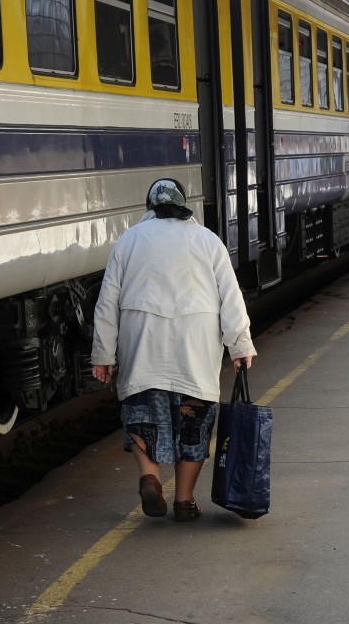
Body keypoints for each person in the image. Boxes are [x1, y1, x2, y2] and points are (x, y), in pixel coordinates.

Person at [91, 179, 256, 522]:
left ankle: (150, 477)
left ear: (150, 206)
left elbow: (106, 303)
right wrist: (240, 344)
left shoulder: (129, 241)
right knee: (194, 422)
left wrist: (103, 355)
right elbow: (231, 296)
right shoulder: (207, 240)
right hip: (194, 347)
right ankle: (184, 501)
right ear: (184, 205)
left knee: (141, 415)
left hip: (143, 344)